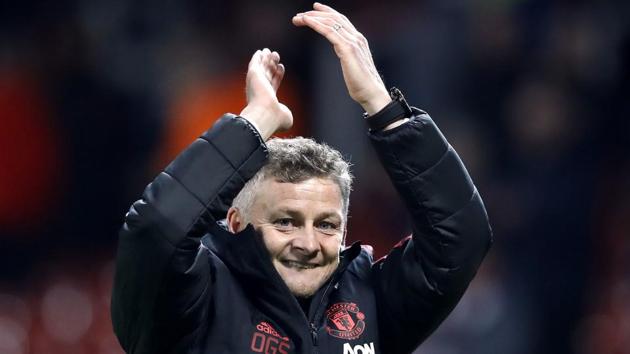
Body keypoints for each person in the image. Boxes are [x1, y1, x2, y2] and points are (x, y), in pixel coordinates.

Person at [111, 3, 492, 354]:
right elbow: (156, 229)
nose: (308, 243)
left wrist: (382, 105)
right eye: (285, 221)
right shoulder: (193, 301)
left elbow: (461, 240)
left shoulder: (372, 302)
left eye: (327, 225)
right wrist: (256, 121)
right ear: (236, 221)